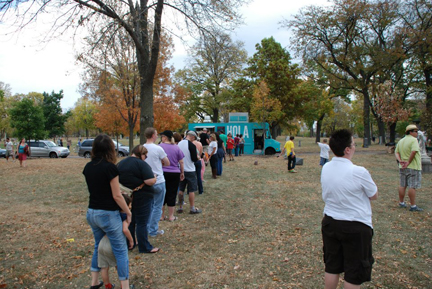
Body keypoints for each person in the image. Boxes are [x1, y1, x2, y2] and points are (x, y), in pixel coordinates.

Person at [321, 129, 378, 289]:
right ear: (347, 149)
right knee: (354, 272)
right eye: (353, 144)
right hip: (356, 227)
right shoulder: (359, 172)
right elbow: (374, 194)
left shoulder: (326, 168)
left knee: (332, 266)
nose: (354, 147)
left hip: (330, 223)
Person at [82, 134, 133, 289]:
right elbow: (117, 195)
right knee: (121, 251)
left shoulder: (88, 167)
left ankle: (94, 282)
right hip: (108, 214)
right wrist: (128, 212)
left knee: (98, 247)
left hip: (92, 212)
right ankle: (125, 286)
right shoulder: (110, 168)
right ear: (111, 148)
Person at [117, 145, 159, 253]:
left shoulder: (120, 163)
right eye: (145, 155)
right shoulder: (141, 164)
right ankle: (144, 247)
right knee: (142, 222)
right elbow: (149, 181)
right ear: (141, 154)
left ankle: (129, 243)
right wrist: (154, 178)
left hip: (127, 197)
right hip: (143, 196)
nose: (146, 157)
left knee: (130, 220)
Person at [98, 194, 134, 289]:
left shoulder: (110, 214)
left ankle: (108, 286)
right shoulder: (123, 216)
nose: (130, 207)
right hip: (112, 244)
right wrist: (131, 240)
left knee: (104, 267)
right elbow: (125, 230)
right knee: (120, 265)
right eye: (129, 205)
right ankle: (124, 285)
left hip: (102, 243)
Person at [143, 127, 170, 237]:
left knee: (148, 206)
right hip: (158, 181)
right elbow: (167, 163)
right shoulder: (158, 148)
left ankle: (146, 228)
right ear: (153, 135)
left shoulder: (141, 148)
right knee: (157, 207)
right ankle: (153, 230)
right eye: (156, 134)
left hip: (146, 181)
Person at [395, 124, 423, 212]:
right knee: (412, 186)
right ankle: (413, 206)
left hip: (402, 167)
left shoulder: (401, 141)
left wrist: (400, 161)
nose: (417, 133)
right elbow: (414, 151)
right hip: (413, 166)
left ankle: (401, 202)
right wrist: (408, 162)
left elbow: (396, 152)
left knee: (402, 185)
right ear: (410, 132)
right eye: (415, 131)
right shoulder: (414, 140)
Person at [159, 130, 185, 221]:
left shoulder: (159, 147)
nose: (161, 138)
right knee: (172, 193)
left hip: (162, 172)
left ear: (165, 137)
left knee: (162, 194)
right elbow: (181, 162)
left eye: (162, 136)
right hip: (174, 173)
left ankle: (161, 216)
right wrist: (182, 172)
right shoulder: (176, 147)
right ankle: (171, 216)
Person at [177, 131, 202, 214]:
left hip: (181, 169)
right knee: (191, 190)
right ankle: (192, 208)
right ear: (193, 137)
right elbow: (194, 158)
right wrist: (198, 158)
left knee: (181, 189)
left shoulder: (179, 143)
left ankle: (180, 207)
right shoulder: (191, 145)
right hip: (190, 169)